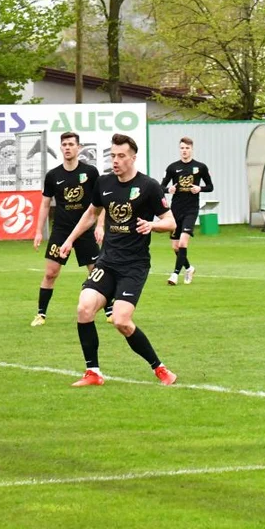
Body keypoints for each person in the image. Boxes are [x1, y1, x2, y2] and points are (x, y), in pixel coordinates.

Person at [58, 133, 178, 387]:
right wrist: (69, 240)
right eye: (112, 155)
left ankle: (160, 368)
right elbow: (91, 214)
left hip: (134, 265)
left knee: (121, 320)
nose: (115, 160)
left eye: (121, 156)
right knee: (84, 309)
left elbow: (171, 222)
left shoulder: (149, 186)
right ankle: (93, 373)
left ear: (133, 158)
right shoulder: (103, 183)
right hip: (108, 262)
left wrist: (153, 225)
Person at [30, 132, 100, 327]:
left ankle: (109, 309)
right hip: (61, 230)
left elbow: (100, 202)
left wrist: (100, 226)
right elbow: (45, 205)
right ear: (61, 148)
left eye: (71, 144)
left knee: (96, 272)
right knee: (51, 273)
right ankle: (41, 314)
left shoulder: (91, 172)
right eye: (64, 144)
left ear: (79, 148)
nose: (67, 147)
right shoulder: (53, 175)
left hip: (85, 230)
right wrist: (38, 231)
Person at [160, 137, 213, 285]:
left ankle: (175, 274)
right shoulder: (172, 167)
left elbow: (210, 186)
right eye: (182, 148)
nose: (184, 151)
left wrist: (200, 188)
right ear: (179, 149)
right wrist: (168, 189)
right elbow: (161, 186)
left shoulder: (200, 167)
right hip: (176, 209)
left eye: (187, 148)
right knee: (175, 246)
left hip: (191, 209)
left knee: (183, 243)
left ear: (192, 149)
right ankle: (189, 268)